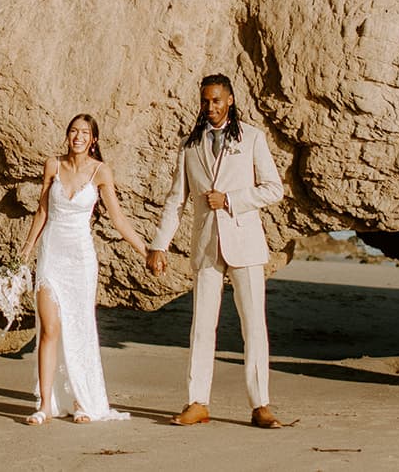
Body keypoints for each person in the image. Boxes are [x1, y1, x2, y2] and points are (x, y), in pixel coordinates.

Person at [147, 74, 286, 428]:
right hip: (207, 246)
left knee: (254, 326)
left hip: (245, 244)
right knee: (201, 327)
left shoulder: (253, 138)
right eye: (206, 101)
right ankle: (197, 402)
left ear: (230, 101)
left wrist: (232, 200)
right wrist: (158, 244)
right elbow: (175, 200)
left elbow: (274, 189)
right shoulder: (189, 146)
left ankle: (261, 406)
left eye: (217, 101)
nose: (210, 108)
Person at [18, 113, 148, 424]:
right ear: (67, 135)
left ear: (93, 140)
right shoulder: (53, 164)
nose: (78, 136)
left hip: (81, 259)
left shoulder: (101, 172)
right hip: (51, 253)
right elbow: (42, 210)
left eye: (84, 132)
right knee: (49, 329)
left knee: (80, 327)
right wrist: (25, 251)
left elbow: (118, 220)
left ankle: (81, 401)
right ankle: (45, 404)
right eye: (74, 131)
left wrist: (147, 251)